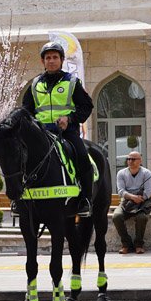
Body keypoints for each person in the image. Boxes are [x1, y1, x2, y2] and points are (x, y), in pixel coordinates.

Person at [22, 41, 94, 217]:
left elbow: (86, 106)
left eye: (55, 57)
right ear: (43, 61)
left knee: (83, 157)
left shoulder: (72, 82)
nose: (51, 61)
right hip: (40, 133)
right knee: (19, 158)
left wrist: (69, 119)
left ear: (61, 60)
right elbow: (26, 111)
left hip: (66, 132)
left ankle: (85, 199)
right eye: (48, 58)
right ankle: (20, 198)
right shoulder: (34, 84)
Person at [113, 151, 151, 254]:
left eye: (133, 159)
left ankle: (139, 244)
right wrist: (132, 197)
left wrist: (139, 199)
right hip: (126, 202)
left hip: (142, 202)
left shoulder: (146, 173)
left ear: (140, 161)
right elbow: (121, 191)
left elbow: (148, 192)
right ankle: (126, 244)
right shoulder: (121, 173)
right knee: (117, 216)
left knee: (142, 217)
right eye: (128, 159)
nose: (130, 161)